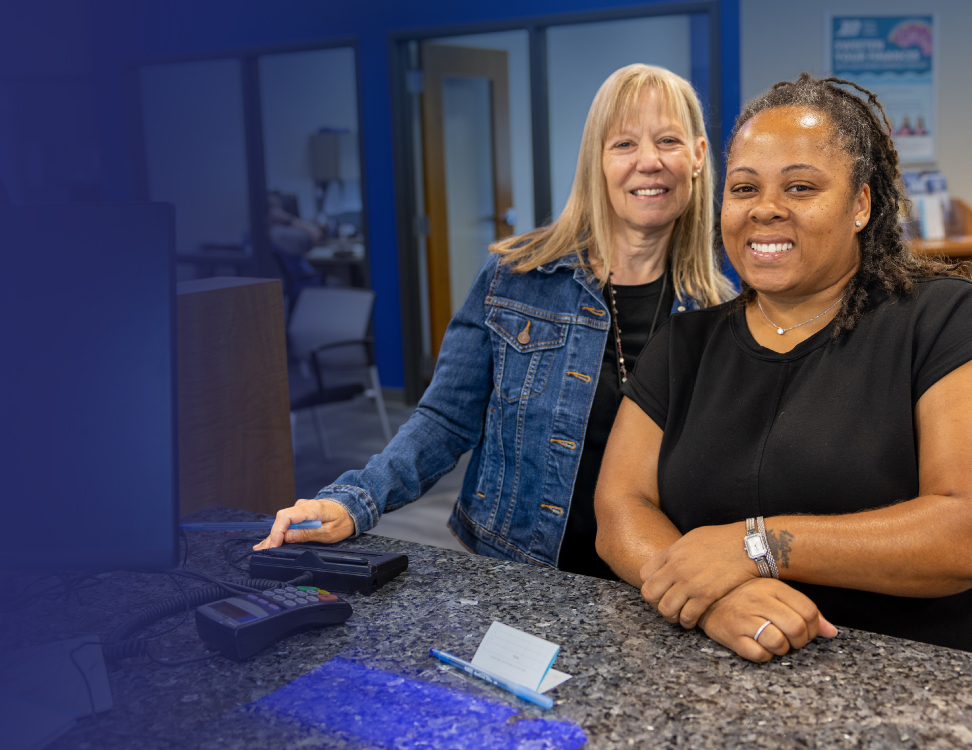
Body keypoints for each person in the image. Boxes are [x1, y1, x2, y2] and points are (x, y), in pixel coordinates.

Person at [596, 74, 972, 662]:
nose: (765, 209)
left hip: (919, 684)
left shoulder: (952, 321)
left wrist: (755, 546)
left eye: (801, 187)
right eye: (743, 188)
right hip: (715, 678)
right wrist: (711, 600)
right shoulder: (686, 343)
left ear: (861, 203)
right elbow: (621, 510)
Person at [254, 64, 736, 579]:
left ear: (699, 157)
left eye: (667, 140)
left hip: (655, 580)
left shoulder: (719, 314)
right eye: (623, 144)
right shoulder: (517, 275)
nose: (648, 162)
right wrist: (354, 502)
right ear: (597, 160)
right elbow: (444, 421)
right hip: (520, 570)